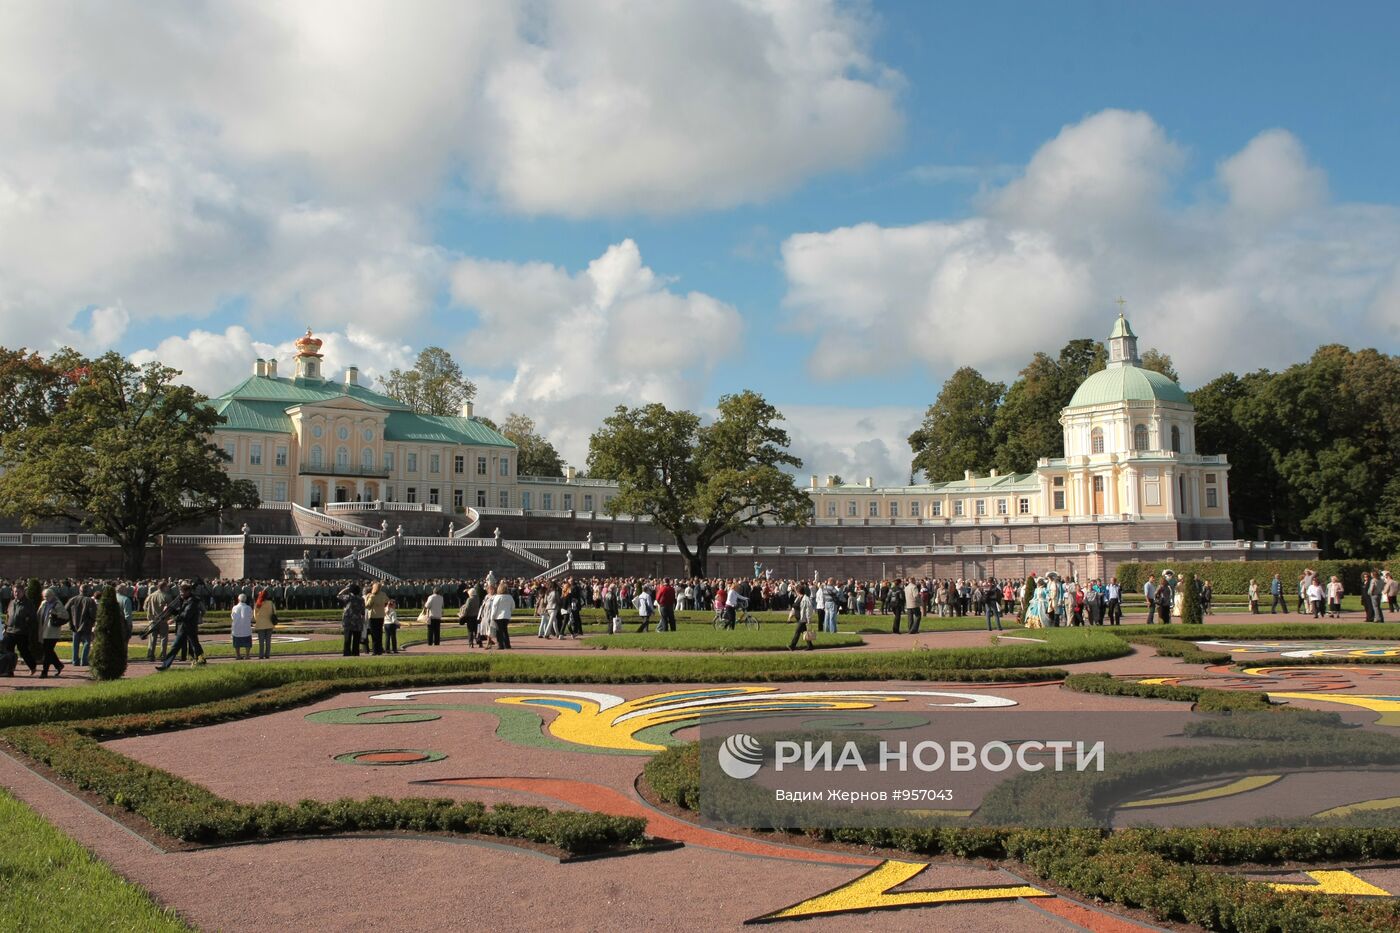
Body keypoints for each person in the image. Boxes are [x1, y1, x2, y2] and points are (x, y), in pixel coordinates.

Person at [157, 583, 206, 670]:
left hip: (190, 627)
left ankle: (201, 660)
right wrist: (170, 610)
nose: (181, 594)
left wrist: (174, 619)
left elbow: (186, 615)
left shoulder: (193, 601)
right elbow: (180, 612)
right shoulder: (184, 599)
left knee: (195, 645)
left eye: (182, 592)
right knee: (175, 647)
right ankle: (165, 666)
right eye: (180, 592)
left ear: (188, 591)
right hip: (183, 627)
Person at [1, 588, 38, 676]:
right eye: (14, 591)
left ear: (23, 592)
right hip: (10, 631)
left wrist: (28, 627)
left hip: (22, 632)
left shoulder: (28, 604)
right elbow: (8, 616)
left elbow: (33, 618)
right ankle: (9, 671)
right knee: (8, 651)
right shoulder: (12, 602)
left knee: (24, 651)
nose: (16, 593)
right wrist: (5, 628)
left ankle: (32, 667)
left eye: (18, 591)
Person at [37, 588, 68, 678]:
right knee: (48, 651)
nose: (46, 598)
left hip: (52, 632)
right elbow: (38, 615)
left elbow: (65, 615)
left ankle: (44, 672)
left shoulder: (57, 604)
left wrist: (55, 613)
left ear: (52, 595)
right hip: (43, 631)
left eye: (47, 596)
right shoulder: (43, 603)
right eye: (44, 596)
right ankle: (58, 665)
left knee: (47, 652)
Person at [65, 585, 97, 667]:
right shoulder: (90, 601)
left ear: (79, 590)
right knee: (87, 643)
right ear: (87, 591)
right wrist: (93, 621)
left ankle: (75, 661)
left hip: (74, 625)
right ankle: (84, 660)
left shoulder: (73, 599)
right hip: (86, 625)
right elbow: (93, 614)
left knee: (75, 644)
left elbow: (65, 610)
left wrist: (70, 620)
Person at [143, 581, 172, 661]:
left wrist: (151, 612)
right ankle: (163, 655)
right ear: (164, 587)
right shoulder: (166, 596)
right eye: (167, 586)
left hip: (152, 620)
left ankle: (150, 656)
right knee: (164, 638)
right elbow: (170, 609)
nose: (168, 588)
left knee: (152, 639)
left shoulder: (150, 596)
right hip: (162, 620)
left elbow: (144, 607)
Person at [338, 583, 365, 656]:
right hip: (357, 621)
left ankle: (347, 652)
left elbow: (339, 595)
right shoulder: (361, 599)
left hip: (348, 621)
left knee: (347, 638)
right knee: (356, 639)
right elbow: (363, 611)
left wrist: (346, 589)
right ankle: (355, 652)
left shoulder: (348, 597)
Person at [788, 583, 814, 650]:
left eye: (796, 590)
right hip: (798, 618)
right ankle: (810, 645)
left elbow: (809, 610)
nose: (795, 592)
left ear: (798, 591)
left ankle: (792, 646)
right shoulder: (797, 598)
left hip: (803, 619)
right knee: (804, 632)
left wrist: (809, 619)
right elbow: (794, 608)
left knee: (797, 632)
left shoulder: (806, 599)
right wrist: (790, 617)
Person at [252, 589, 278, 660]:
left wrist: (258, 620)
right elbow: (274, 612)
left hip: (260, 624)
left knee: (261, 641)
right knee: (268, 641)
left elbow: (254, 614)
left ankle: (261, 655)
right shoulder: (271, 603)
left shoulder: (258, 603)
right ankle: (267, 654)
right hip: (269, 624)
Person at [364, 582, 387, 655]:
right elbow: (387, 601)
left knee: (374, 634)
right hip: (381, 615)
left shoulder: (372, 596)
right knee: (379, 633)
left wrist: (366, 598)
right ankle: (379, 650)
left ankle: (375, 650)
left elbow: (367, 605)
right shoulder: (383, 594)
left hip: (373, 616)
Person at [489, 582, 514, 649]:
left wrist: (492, 617)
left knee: (499, 631)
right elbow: (513, 607)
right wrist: (509, 612)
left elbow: (494, 608)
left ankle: (500, 645)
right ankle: (507, 645)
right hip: (506, 616)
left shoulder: (497, 597)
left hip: (498, 616)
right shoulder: (510, 597)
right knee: (505, 631)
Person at [230, 593, 254, 660]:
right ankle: (247, 655)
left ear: (238, 599)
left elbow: (232, 617)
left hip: (236, 628)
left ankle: (238, 655)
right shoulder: (248, 607)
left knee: (236, 642)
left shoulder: (234, 607)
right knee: (247, 642)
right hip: (246, 628)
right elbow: (251, 617)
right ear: (245, 600)